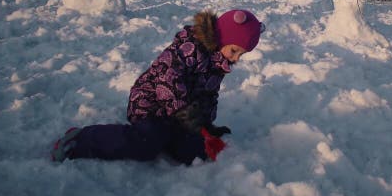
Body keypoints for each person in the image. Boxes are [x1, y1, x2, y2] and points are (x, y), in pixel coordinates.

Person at [51, 9, 264, 165]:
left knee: (192, 153)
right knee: (147, 144)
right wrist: (183, 112)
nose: (235, 58)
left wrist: (206, 124)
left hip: (180, 114)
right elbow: (166, 79)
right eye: (234, 50)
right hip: (150, 104)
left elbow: (208, 94)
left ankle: (172, 135)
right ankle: (82, 139)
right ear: (222, 37)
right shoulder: (190, 48)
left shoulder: (219, 62)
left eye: (241, 55)